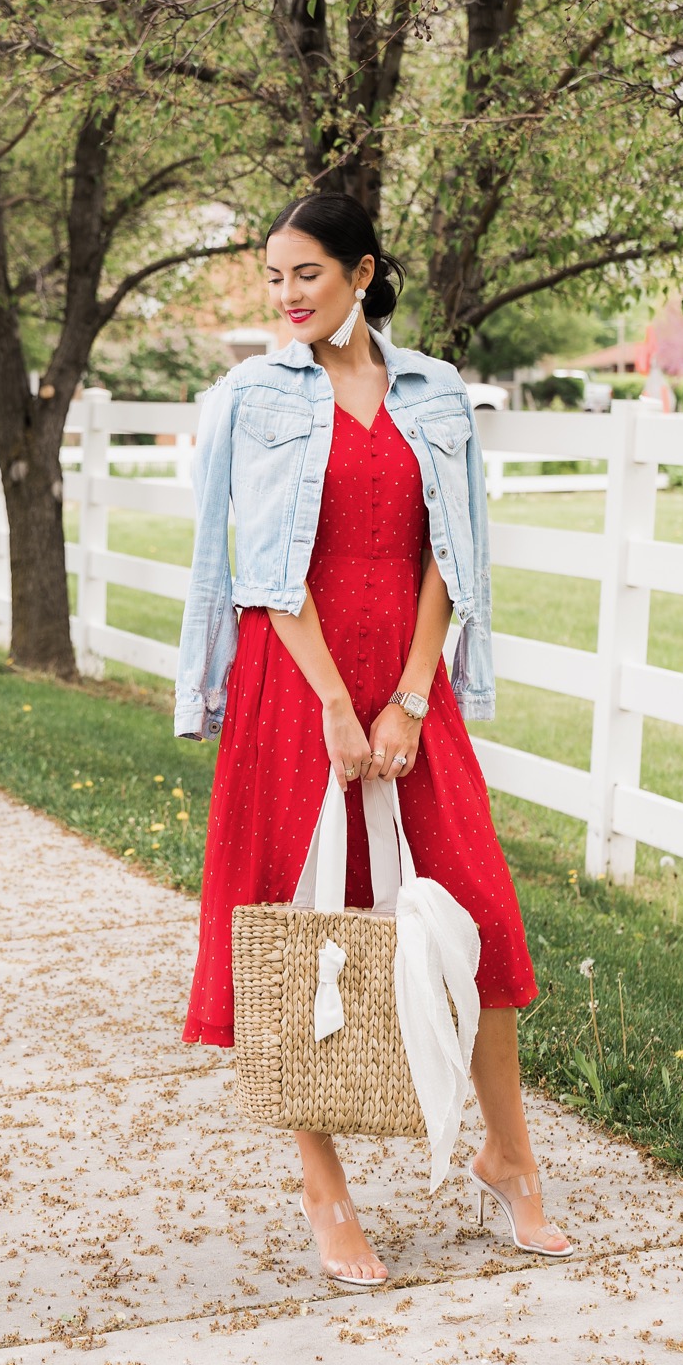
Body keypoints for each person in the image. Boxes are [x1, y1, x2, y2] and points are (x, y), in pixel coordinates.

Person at [174, 192, 572, 1288]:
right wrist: (340, 709)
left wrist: (406, 694)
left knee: (481, 915)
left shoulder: (435, 392)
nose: (287, 294)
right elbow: (260, 568)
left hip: (409, 681)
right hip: (292, 685)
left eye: (307, 273)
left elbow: (456, 553)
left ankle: (510, 1156)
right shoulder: (252, 398)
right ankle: (325, 1186)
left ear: (361, 271)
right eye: (274, 276)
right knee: (306, 934)